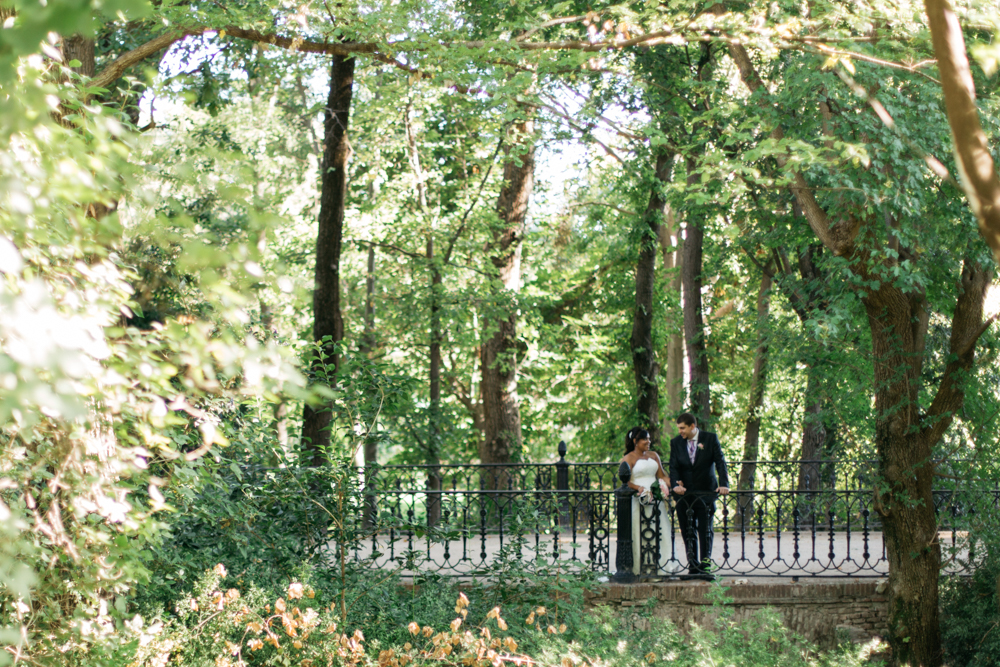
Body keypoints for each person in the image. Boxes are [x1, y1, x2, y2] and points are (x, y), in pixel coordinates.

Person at [668, 413, 730, 579]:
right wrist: (675, 485)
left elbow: (720, 462)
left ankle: (705, 567)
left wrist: (724, 484)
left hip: (706, 493)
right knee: (688, 531)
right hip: (684, 495)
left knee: (705, 530)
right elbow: (673, 466)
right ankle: (693, 567)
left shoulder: (710, 439)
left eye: (682, 428)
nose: (680, 431)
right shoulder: (676, 442)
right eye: (679, 428)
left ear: (692, 426)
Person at [621, 427, 684, 577]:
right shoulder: (628, 458)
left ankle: (662, 566)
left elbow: (662, 476)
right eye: (645, 439)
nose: (649, 442)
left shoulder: (654, 455)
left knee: (660, 530)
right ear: (636, 441)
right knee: (640, 531)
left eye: (649, 439)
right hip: (639, 500)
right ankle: (641, 568)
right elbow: (626, 482)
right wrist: (639, 488)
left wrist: (675, 484)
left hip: (656, 498)